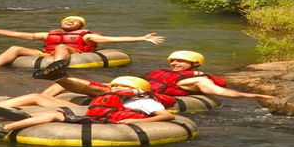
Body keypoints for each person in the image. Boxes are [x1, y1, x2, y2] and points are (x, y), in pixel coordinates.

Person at [0, 76, 174, 139]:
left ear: (137, 90)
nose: (117, 88)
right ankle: (1, 129)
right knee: (55, 114)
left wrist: (137, 120)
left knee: (57, 113)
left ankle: (13, 120)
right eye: (116, 86)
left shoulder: (145, 101)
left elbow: (164, 116)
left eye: (122, 87)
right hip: (95, 119)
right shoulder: (109, 96)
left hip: (115, 124)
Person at [39, 50, 275, 101]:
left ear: (193, 64)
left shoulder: (198, 78)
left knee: (99, 89)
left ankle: (58, 76)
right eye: (172, 60)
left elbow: (220, 91)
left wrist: (254, 96)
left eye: (179, 61)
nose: (174, 63)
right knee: (71, 85)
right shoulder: (162, 72)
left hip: (148, 96)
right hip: (139, 87)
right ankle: (53, 84)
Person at [0, 16, 164, 68]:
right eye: (67, 20)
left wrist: (142, 38)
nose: (69, 21)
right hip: (48, 55)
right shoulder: (47, 33)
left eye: (74, 21)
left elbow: (113, 39)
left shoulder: (86, 36)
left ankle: (56, 67)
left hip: (74, 54)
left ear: (80, 25)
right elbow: (14, 34)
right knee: (15, 47)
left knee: (60, 46)